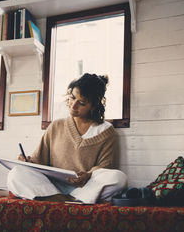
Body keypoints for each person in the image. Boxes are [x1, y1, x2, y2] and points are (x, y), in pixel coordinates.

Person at [7, 73, 127, 203]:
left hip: (85, 188)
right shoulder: (56, 126)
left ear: (94, 105)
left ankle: (67, 199)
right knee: (16, 174)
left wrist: (88, 175)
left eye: (81, 103)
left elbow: (104, 167)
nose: (73, 105)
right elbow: (38, 160)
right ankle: (60, 198)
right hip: (51, 186)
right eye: (72, 98)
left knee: (119, 178)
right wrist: (26, 162)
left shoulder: (105, 130)